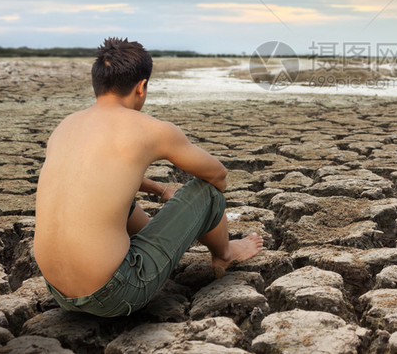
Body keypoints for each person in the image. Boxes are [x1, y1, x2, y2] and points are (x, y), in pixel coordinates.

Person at [34, 37, 263, 317]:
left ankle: (158, 245)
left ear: (98, 84)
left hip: (58, 290)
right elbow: (218, 176)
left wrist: (160, 190)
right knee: (206, 192)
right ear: (141, 87)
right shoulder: (150, 129)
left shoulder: (66, 126)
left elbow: (103, 175)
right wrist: (184, 203)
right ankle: (225, 254)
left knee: (112, 199)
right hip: (117, 293)